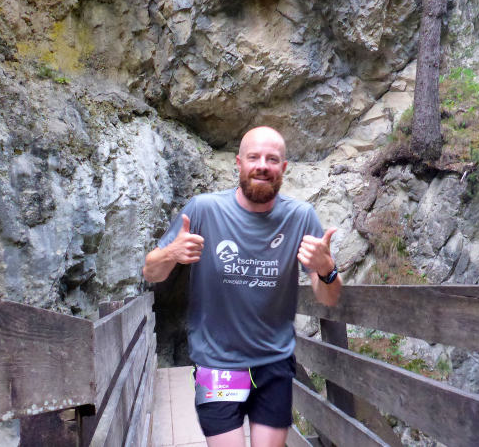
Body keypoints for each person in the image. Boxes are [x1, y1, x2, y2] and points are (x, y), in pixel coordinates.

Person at [143, 126, 342, 447]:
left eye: (272, 159)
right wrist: (170, 254)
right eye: (254, 157)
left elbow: (328, 298)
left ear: (283, 168)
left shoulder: (301, 217)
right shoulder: (203, 209)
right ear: (239, 163)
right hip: (217, 362)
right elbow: (151, 272)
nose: (262, 165)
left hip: (273, 361)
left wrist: (326, 269)